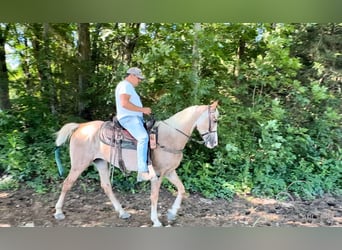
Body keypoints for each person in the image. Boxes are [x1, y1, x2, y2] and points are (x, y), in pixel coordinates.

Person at [115, 67, 156, 182]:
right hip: (129, 118)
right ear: (131, 75)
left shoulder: (128, 87)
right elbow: (124, 103)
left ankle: (150, 165)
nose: (140, 81)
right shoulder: (125, 85)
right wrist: (142, 110)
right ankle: (142, 171)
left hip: (134, 118)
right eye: (138, 78)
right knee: (143, 137)